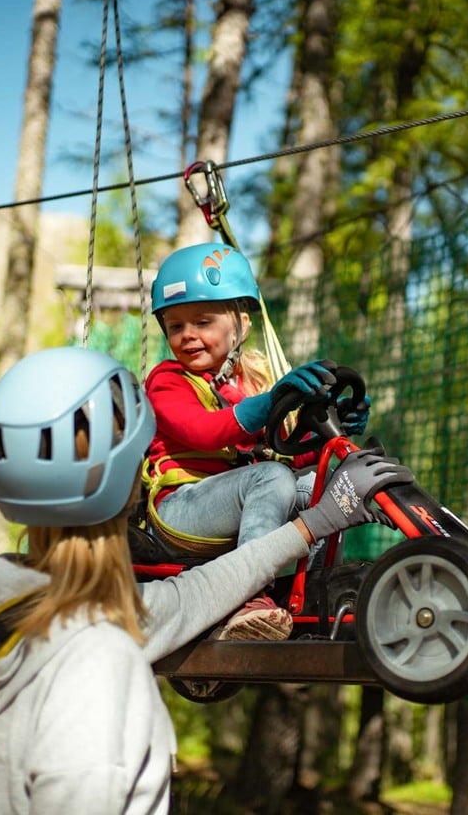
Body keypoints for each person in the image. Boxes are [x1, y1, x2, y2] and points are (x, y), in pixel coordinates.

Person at [0, 345, 410, 815]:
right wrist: (315, 521)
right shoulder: (100, 666)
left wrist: (312, 524)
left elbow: (189, 596)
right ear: (132, 476)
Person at [143, 242, 372, 641]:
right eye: (176, 326)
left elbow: (286, 453)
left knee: (324, 486)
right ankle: (249, 597)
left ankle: (313, 594)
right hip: (179, 508)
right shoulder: (167, 381)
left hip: (235, 503)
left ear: (241, 325)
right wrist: (266, 405)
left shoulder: (248, 382)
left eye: (202, 321)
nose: (188, 336)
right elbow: (205, 431)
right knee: (270, 477)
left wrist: (335, 429)